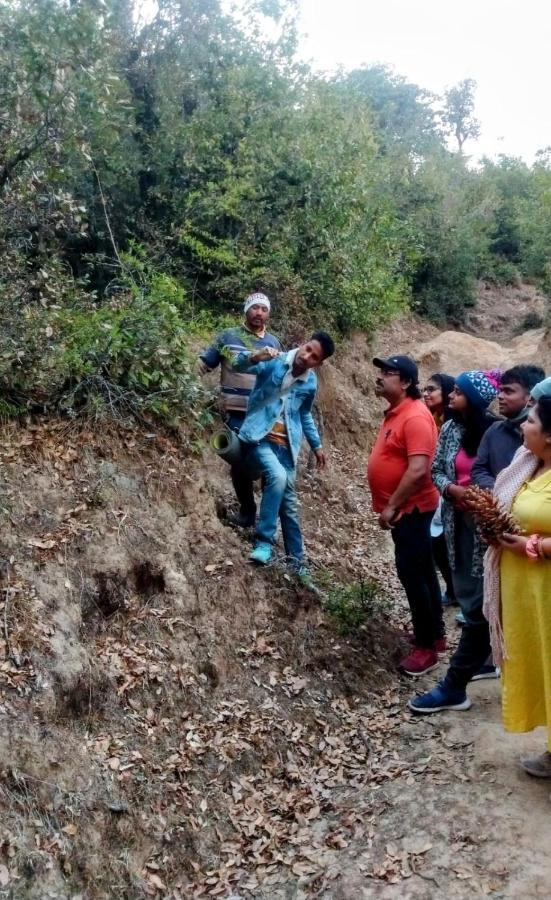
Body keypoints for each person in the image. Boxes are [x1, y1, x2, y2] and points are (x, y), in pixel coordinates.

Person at [408, 369, 501, 713]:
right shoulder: (449, 429)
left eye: (457, 392)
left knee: (482, 591)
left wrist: (480, 497)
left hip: (487, 524)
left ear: (474, 399)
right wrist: (451, 489)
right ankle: (486, 653)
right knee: (463, 582)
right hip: (455, 519)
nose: (450, 396)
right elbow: (436, 470)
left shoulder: (495, 432)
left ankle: (482, 658)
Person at [483, 394, 551, 778]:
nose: (523, 426)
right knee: (543, 667)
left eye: (531, 421)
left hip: (546, 587)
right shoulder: (528, 466)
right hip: (527, 593)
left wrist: (534, 546)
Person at [231, 331, 335, 581]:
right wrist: (255, 356)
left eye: (314, 357)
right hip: (259, 438)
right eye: (307, 348)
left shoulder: (310, 382)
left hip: (286, 448)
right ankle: (264, 542)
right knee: (276, 477)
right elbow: (236, 365)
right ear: (302, 343)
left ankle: (298, 564)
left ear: (318, 364)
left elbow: (304, 414)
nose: (306, 356)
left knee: (289, 506)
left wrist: (317, 445)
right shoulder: (274, 360)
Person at [367, 355, 444, 676]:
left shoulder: (414, 417)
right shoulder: (398, 413)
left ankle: (426, 648)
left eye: (389, 373)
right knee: (423, 570)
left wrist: (392, 506)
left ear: (407, 382)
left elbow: (418, 470)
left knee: (413, 575)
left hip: (411, 510)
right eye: (381, 372)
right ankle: (435, 634)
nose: (381, 377)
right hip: (407, 510)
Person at [198, 292, 282, 527]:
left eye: (264, 309)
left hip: (264, 415)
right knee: (239, 462)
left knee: (267, 466)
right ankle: (247, 512)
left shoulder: (274, 343)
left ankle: (266, 519)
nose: (259, 313)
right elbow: (204, 365)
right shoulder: (228, 336)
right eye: (255, 308)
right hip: (235, 411)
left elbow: (280, 378)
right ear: (246, 310)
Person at [472, 365, 545, 490]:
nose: (500, 396)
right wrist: (498, 491)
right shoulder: (494, 430)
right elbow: (479, 469)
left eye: (508, 391)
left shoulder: (544, 435)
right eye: (500, 390)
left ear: (530, 396)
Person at [423, 374, 457, 607]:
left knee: (445, 543)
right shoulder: (430, 418)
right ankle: (453, 590)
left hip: (448, 489)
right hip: (434, 487)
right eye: (424, 389)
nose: (426, 393)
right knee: (437, 542)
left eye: (432, 389)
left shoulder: (453, 423)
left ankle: (458, 593)